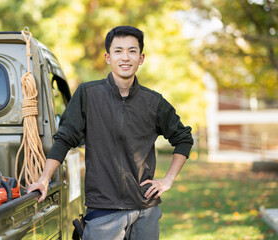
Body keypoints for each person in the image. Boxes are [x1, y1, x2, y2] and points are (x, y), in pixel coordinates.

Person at [28, 25, 193, 240]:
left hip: (145, 210)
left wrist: (168, 180)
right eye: (118, 51)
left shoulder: (154, 102)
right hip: (102, 211)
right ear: (108, 57)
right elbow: (65, 138)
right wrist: (43, 179)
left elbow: (184, 139)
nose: (125, 57)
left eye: (132, 51)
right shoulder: (88, 94)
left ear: (141, 58)